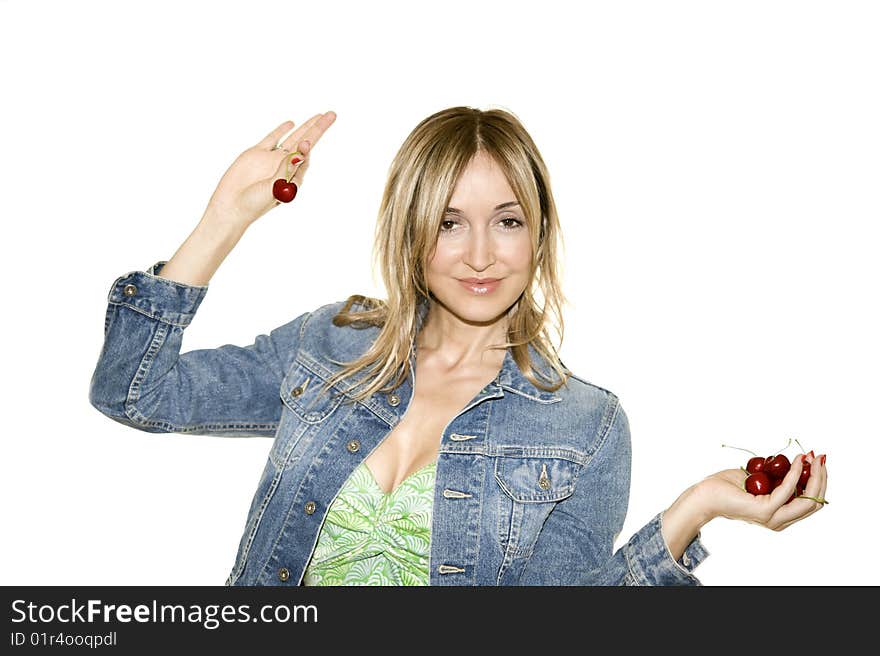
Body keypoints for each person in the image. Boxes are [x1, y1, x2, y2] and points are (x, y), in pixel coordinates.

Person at [88, 106, 828, 586]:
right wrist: (225, 218)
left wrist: (693, 511)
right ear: (411, 231)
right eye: (448, 222)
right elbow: (133, 392)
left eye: (506, 221)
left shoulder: (584, 427)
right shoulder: (330, 343)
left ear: (538, 235)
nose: (480, 254)